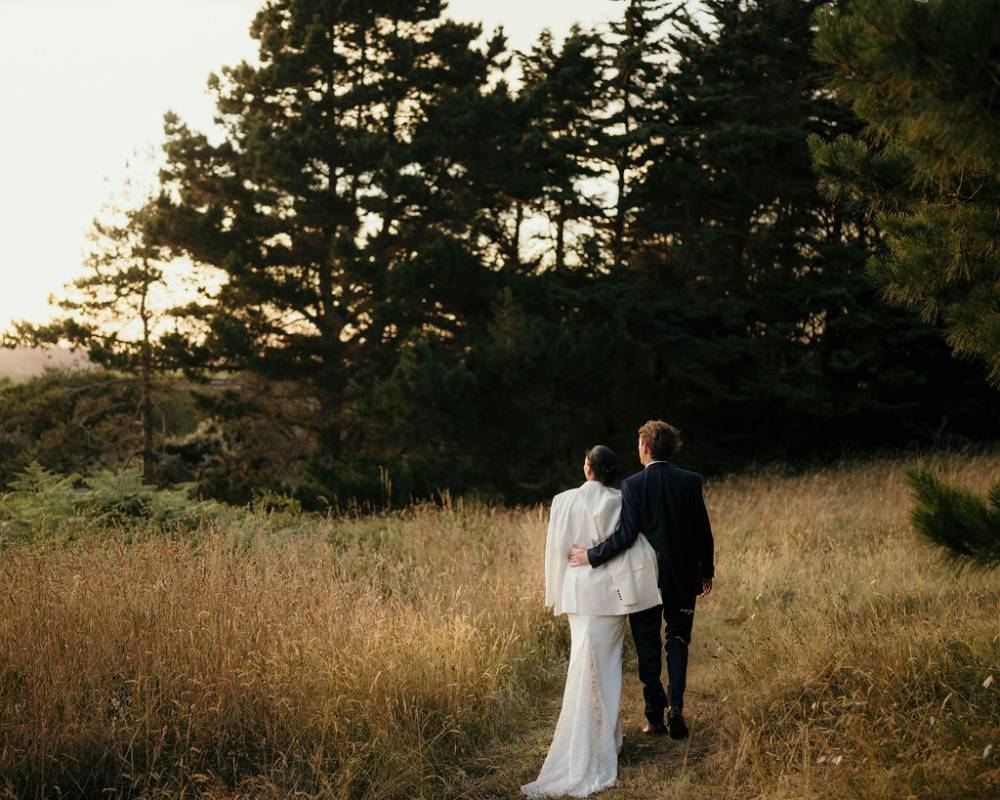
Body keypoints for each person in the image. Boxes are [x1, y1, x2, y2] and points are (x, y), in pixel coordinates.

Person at [522, 445, 662, 799]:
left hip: (576, 593)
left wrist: (554, 592)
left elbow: (556, 550)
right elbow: (630, 545)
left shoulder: (562, 500)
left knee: (581, 663)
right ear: (611, 471)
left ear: (587, 468)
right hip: (607, 594)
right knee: (607, 667)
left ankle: (599, 739)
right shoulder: (618, 500)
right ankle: (606, 741)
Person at [569, 420, 714, 740]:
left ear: (645, 447)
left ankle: (655, 716)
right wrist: (707, 571)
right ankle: (676, 707)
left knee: (647, 645)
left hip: (645, 579)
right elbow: (702, 529)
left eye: (639, 444)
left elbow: (626, 535)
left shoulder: (632, 486)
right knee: (678, 640)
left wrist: (591, 556)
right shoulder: (691, 480)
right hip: (684, 575)